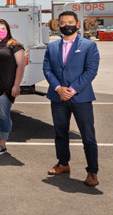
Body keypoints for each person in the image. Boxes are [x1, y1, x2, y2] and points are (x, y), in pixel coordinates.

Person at [43, 11, 100, 187]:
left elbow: (90, 71)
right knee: (60, 133)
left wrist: (73, 90)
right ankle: (63, 163)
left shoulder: (89, 46)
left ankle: (92, 171)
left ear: (77, 24)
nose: (66, 25)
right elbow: (47, 70)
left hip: (81, 97)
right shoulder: (52, 47)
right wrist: (59, 88)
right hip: (58, 97)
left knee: (88, 136)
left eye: (70, 22)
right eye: (62, 22)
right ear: (58, 25)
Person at [0, 19, 26, 155]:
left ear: (8, 30)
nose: (0, 31)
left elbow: (20, 66)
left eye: (3, 28)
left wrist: (16, 85)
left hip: (4, 88)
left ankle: (2, 144)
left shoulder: (14, 45)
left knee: (3, 115)